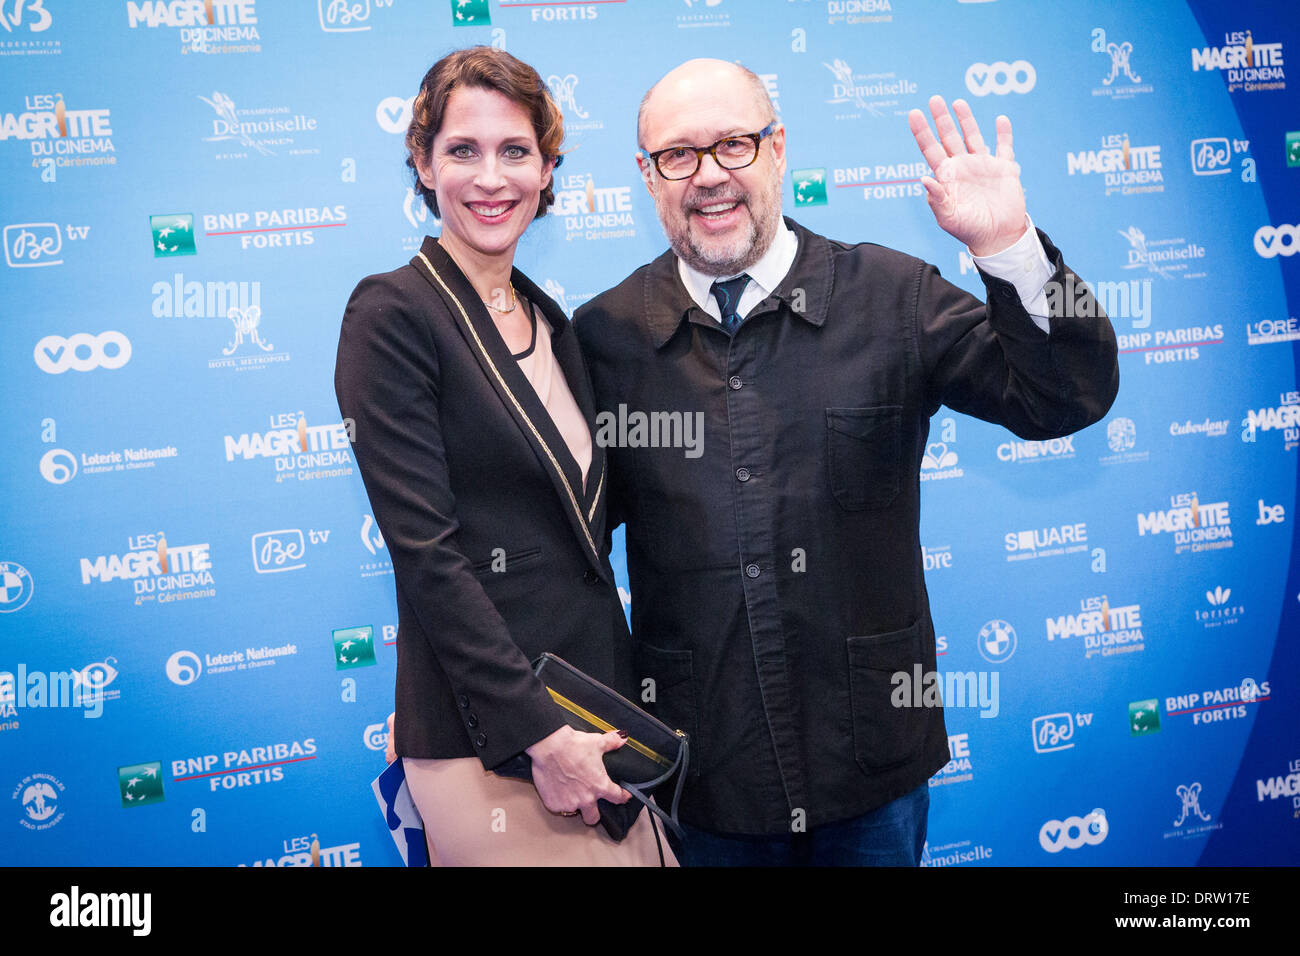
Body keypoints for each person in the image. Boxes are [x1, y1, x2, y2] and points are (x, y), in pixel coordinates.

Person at [571, 58, 1119, 865]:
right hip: (705, 775)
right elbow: (565, 545)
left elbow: (1067, 394)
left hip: (873, 770)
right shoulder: (605, 336)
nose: (710, 176)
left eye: (733, 144)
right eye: (678, 155)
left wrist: (1010, 247)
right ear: (647, 176)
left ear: (778, 147)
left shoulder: (892, 296)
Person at [334, 46, 675, 866]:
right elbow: (428, 557)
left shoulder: (552, 321)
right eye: (463, 150)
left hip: (600, 723)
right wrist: (538, 735)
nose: (493, 177)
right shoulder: (393, 313)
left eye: (516, 151)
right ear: (422, 163)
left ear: (549, 167)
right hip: (493, 740)